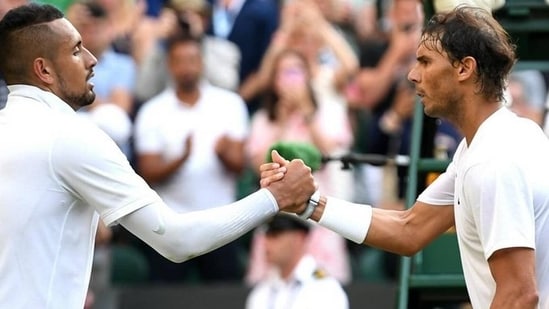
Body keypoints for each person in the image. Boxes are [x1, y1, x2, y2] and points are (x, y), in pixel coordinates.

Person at [0, 3, 316, 308]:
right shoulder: (71, 135)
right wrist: (275, 197)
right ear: (43, 70)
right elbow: (177, 240)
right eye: (75, 50)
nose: (92, 59)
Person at [261, 6, 548, 308]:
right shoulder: (501, 140)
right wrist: (310, 203)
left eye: (425, 62)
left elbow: (519, 295)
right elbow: (410, 229)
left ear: (464, 68)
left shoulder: (493, 161)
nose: (413, 75)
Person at [133, 31, 250, 282]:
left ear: (202, 62)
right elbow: (147, 173)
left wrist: (223, 155)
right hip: (171, 225)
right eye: (179, 60)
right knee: (166, 299)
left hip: (222, 224)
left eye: (192, 59)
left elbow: (240, 166)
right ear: (169, 66)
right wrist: (180, 159)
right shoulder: (152, 111)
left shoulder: (230, 104)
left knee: (224, 298)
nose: (187, 67)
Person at [245, 214, 349, 309]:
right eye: (266, 236)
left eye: (275, 235)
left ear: (300, 238)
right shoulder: (262, 291)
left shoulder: (325, 290)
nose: (266, 243)